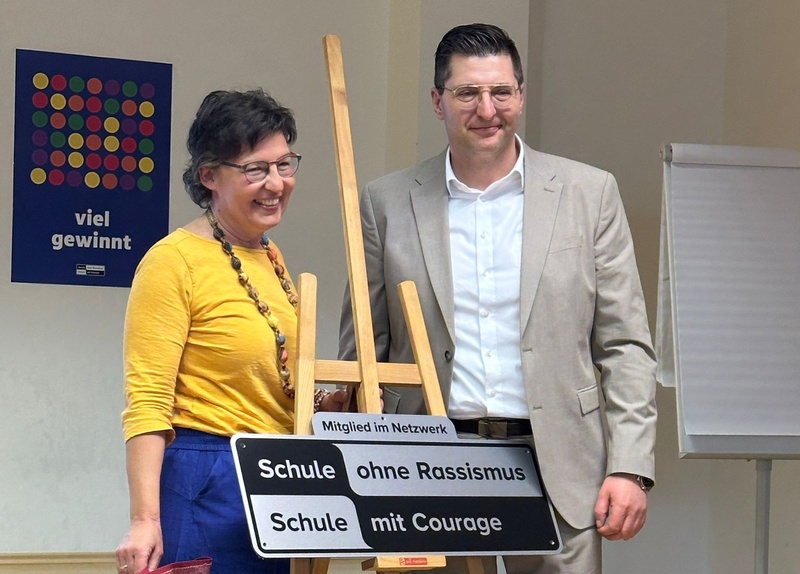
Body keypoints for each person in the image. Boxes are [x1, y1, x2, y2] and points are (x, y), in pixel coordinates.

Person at [338, 23, 657, 574]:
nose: (487, 109)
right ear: (438, 101)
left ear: (521, 95)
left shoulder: (589, 193)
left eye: (501, 92)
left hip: (561, 467)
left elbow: (625, 344)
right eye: (468, 93)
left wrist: (630, 466)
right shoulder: (385, 202)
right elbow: (364, 348)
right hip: (428, 465)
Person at [116, 88, 346, 574]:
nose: (276, 183)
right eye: (255, 169)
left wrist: (324, 403)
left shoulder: (271, 256)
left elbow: (268, 375)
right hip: (208, 476)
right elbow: (148, 400)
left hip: (279, 476)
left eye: (284, 164)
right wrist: (144, 520)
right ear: (209, 175)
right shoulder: (172, 261)